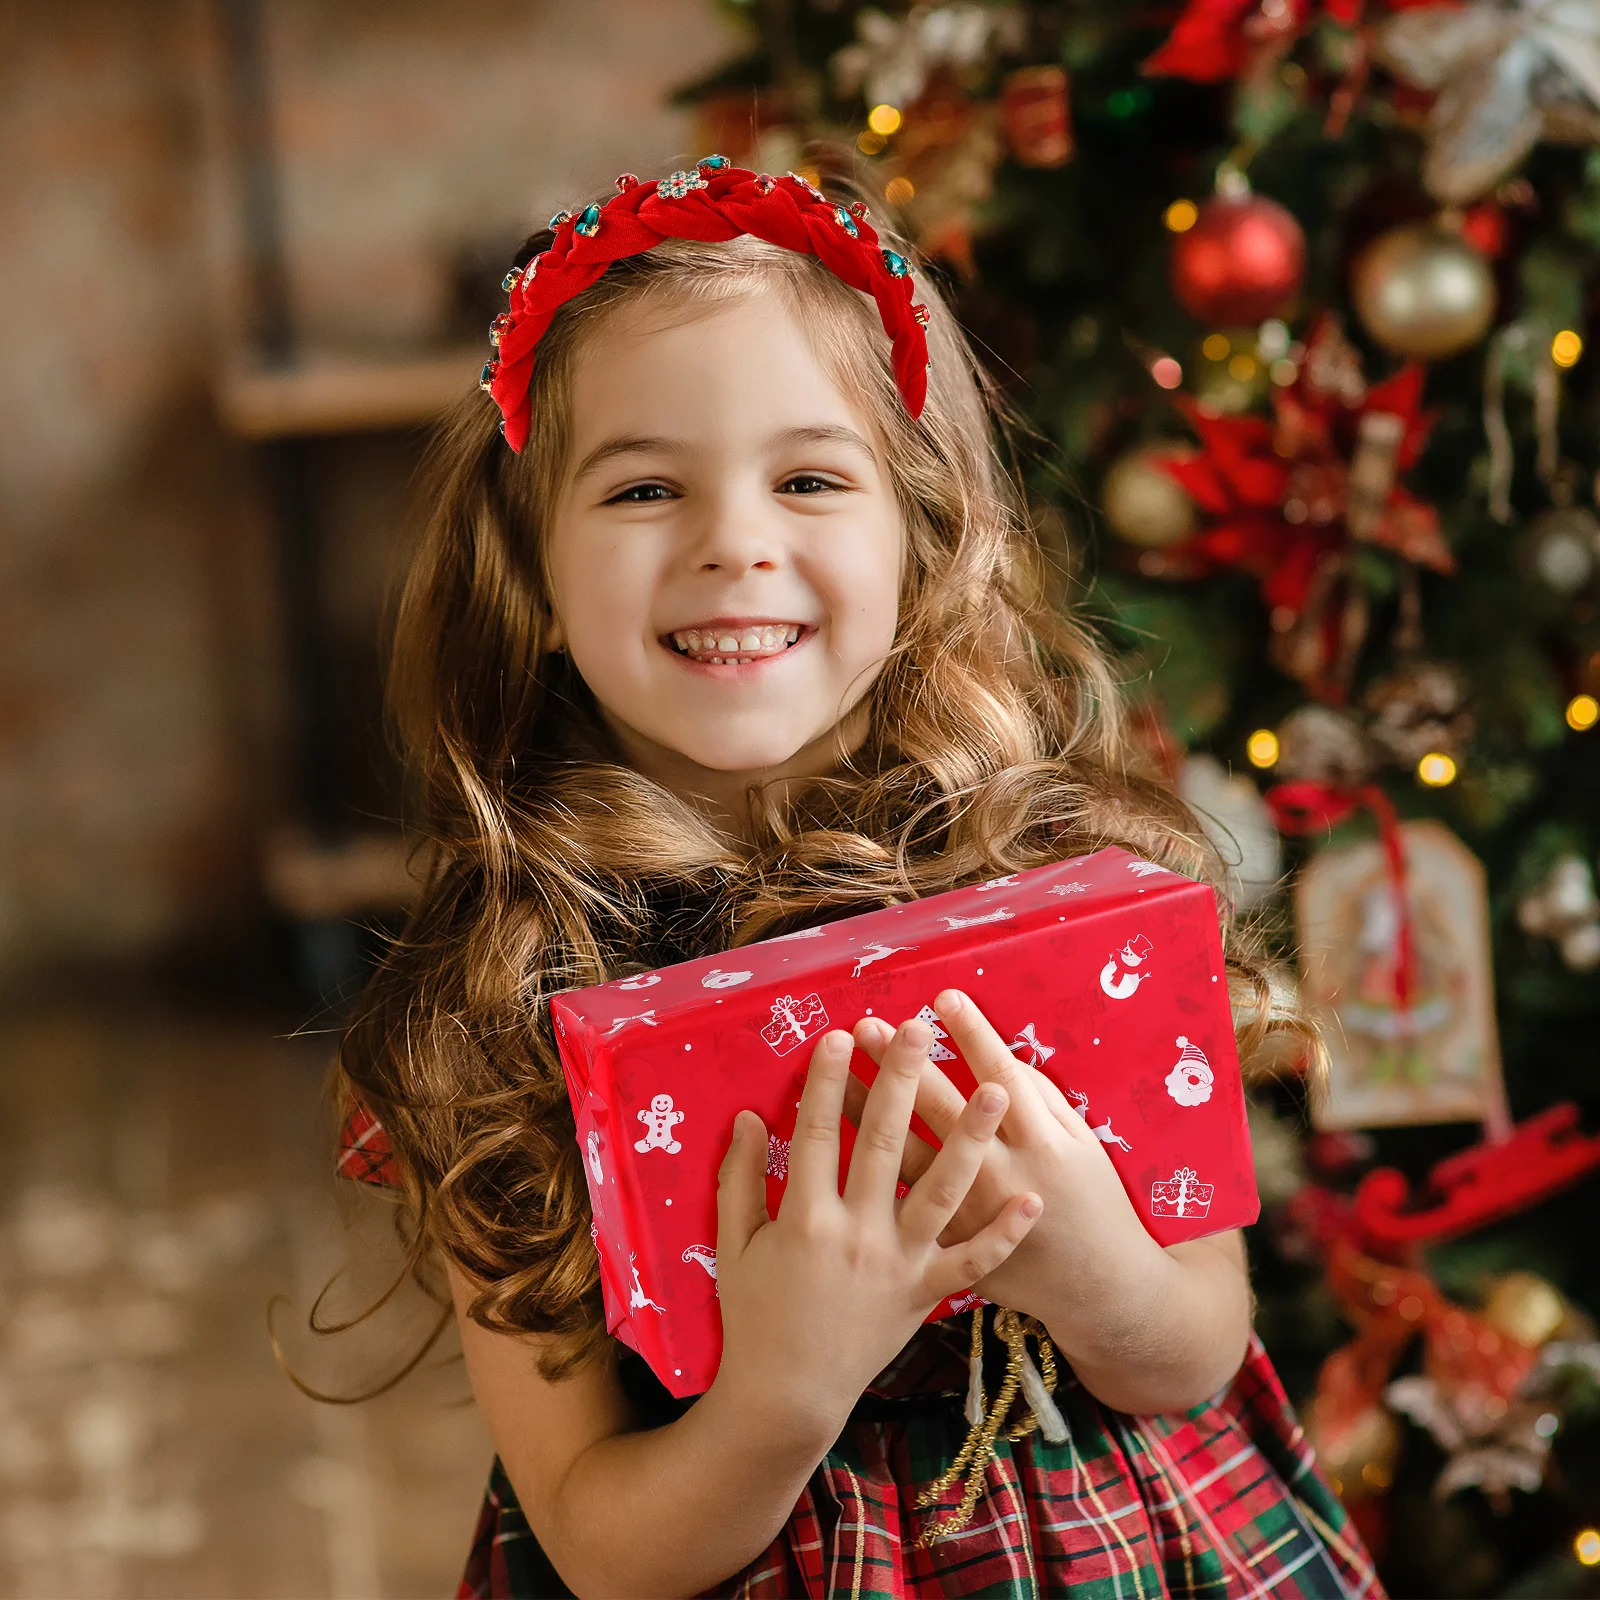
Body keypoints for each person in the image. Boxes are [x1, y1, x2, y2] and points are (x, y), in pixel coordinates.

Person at [331, 158, 1382, 1599]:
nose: (734, 543)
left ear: (919, 536)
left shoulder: (1066, 886)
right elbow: (595, 1536)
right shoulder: (497, 1009)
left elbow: (1196, 1347)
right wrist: (782, 1387)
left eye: (812, 478)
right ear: (536, 582)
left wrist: (1090, 1266)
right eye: (644, 487)